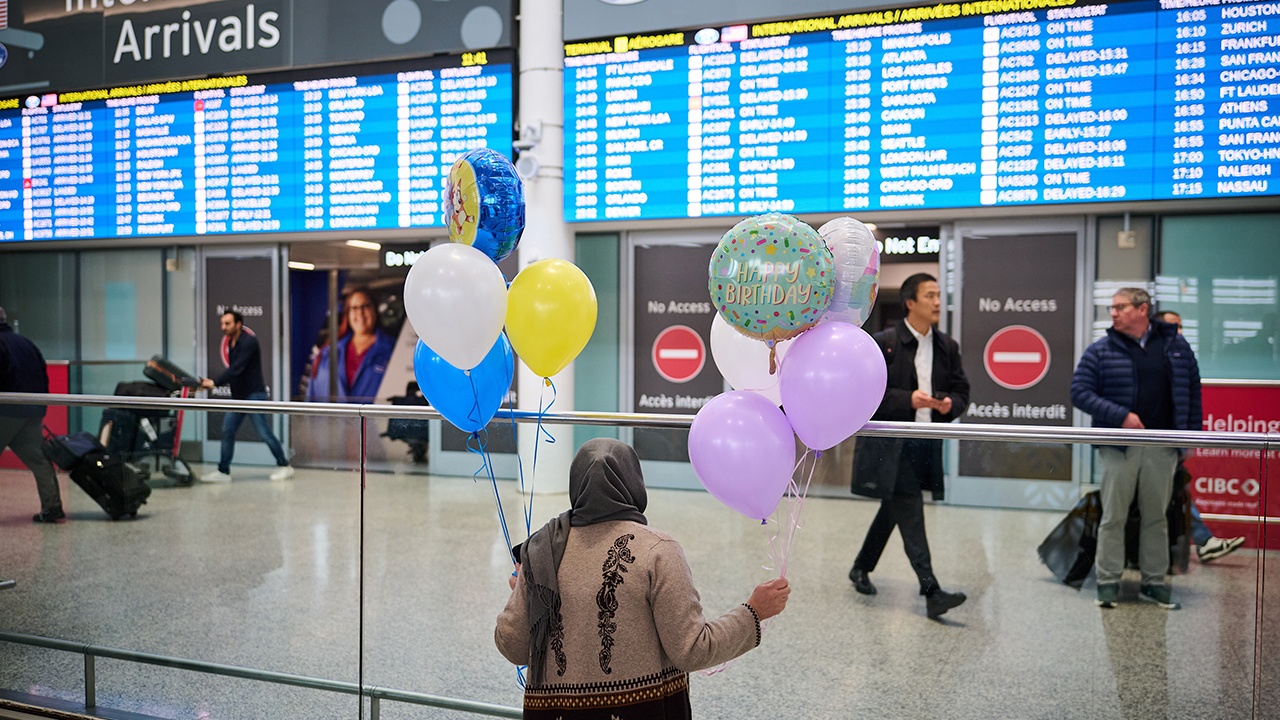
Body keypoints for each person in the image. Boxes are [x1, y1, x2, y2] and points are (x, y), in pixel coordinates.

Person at [495, 438, 791, 719]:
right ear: (634, 483)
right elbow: (692, 650)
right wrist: (754, 611)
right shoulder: (657, 551)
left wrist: (523, 594)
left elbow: (512, 646)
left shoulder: (542, 552)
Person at [848, 273, 970, 620]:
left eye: (938, 295)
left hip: (925, 442)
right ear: (910, 302)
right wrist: (908, 400)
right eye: (929, 295)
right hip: (892, 445)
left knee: (895, 507)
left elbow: (962, 390)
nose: (937, 302)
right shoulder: (884, 343)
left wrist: (950, 403)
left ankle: (860, 567)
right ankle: (931, 591)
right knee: (910, 506)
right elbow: (865, 394)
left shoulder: (947, 347)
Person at [1071, 289, 1201, 610]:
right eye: (1111, 307)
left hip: (1162, 445)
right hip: (1119, 447)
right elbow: (1080, 392)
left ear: (1143, 309)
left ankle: (1154, 583)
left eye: (1120, 307)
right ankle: (1108, 582)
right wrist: (1121, 416)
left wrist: (1189, 438)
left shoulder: (1176, 347)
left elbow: (1192, 393)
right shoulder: (1101, 350)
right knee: (1113, 515)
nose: (1113, 313)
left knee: (1157, 517)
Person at [1155, 311, 1246, 563]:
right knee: (1172, 490)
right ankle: (1202, 541)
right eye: (1174, 326)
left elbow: (1192, 397)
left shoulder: (1183, 354)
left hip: (1173, 439)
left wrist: (1191, 437)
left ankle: (1203, 540)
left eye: (1181, 326)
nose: (1180, 331)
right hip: (1153, 439)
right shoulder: (1151, 355)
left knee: (1176, 488)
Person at [200, 310, 293, 482]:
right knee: (227, 430)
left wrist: (214, 382)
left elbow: (237, 369)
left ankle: (284, 466)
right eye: (222, 323)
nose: (223, 327)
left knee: (264, 433)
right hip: (239, 396)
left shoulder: (249, 342)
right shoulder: (231, 342)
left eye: (227, 323)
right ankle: (223, 472)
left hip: (254, 395)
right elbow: (234, 371)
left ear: (238, 324)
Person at [0, 307, 64, 523]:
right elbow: (42, 374)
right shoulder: (26, 343)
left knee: (36, 457)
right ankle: (52, 506)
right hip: (33, 410)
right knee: (37, 458)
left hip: (6, 411)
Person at [304, 288, 395, 403]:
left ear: (375, 310)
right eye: (354, 308)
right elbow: (312, 398)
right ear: (347, 314)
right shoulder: (327, 354)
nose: (360, 313)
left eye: (365, 306)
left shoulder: (392, 350)